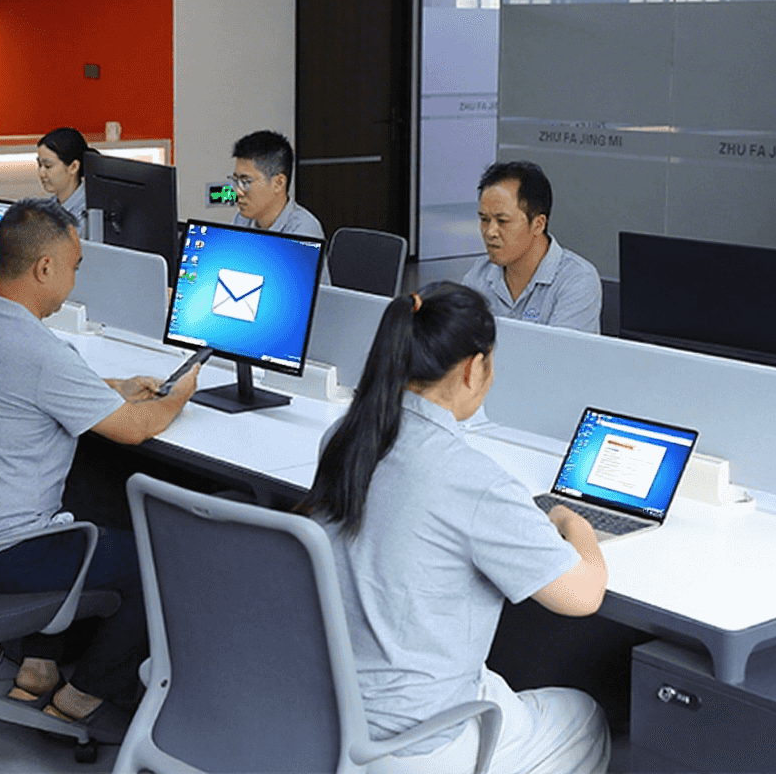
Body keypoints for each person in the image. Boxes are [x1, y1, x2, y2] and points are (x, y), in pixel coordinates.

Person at [300, 282, 610, 774]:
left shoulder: (343, 440)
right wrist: (576, 524)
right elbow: (584, 596)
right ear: (473, 369)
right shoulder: (473, 481)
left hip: (330, 719)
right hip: (417, 746)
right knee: (587, 717)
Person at [0, 197, 200, 743]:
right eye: (74, 267)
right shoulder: (41, 351)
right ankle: (83, 695)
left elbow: (28, 388)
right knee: (165, 556)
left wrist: (112, 387)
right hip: (12, 554)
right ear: (44, 268)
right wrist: (182, 393)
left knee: (90, 483)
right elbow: (135, 428)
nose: (75, 280)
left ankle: (38, 668)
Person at [461, 161, 601, 332]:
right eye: (484, 219)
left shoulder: (576, 279)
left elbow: (561, 349)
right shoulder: (479, 275)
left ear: (538, 224)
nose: (490, 232)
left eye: (502, 221)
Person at [230, 130, 324, 237]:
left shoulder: (303, 229)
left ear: (278, 183)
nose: (237, 192)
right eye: (235, 180)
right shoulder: (242, 220)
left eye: (246, 181)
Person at [36, 127, 96, 224]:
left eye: (48, 166)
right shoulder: (49, 207)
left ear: (73, 167)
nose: (41, 173)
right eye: (39, 165)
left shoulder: (89, 215)